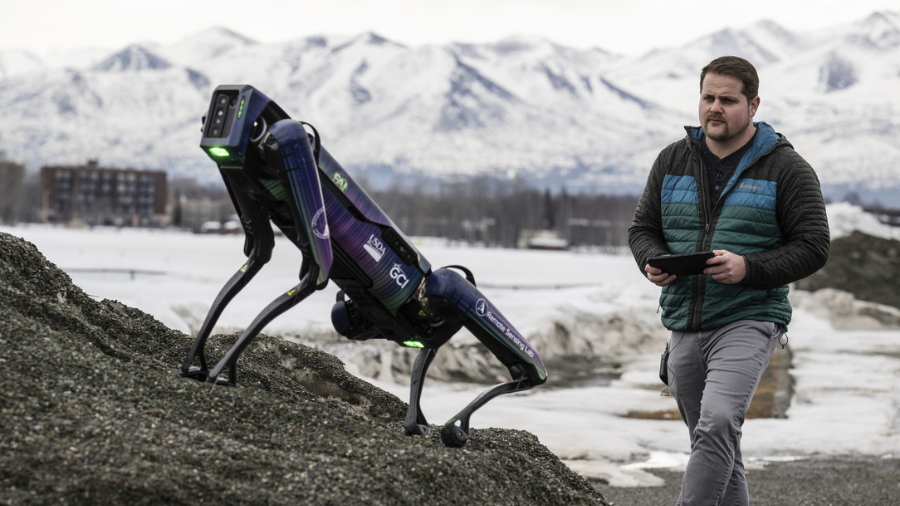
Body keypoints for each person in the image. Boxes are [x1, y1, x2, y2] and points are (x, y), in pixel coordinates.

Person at [628, 56, 830, 506]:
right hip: (684, 318)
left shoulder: (787, 168)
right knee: (717, 444)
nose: (714, 108)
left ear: (753, 104)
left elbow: (814, 245)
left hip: (750, 316)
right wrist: (652, 259)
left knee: (718, 423)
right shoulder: (672, 159)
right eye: (708, 97)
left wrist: (749, 268)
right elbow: (643, 228)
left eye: (728, 100)